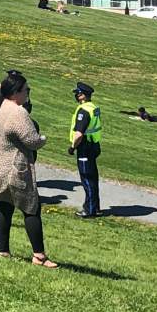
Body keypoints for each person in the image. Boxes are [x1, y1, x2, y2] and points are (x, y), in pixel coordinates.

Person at [0, 72, 57, 268]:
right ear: (15, 93)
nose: (27, 94)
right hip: (14, 168)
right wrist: (44, 138)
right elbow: (32, 141)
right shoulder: (17, 112)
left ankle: (2, 250)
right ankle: (39, 255)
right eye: (26, 90)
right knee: (31, 209)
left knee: (3, 209)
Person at [68, 81, 103, 218]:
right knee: (93, 178)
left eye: (77, 93)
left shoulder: (83, 111)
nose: (76, 96)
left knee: (87, 178)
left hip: (84, 147)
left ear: (82, 95)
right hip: (94, 144)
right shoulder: (94, 107)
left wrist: (72, 147)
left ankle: (89, 209)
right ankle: (96, 207)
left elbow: (79, 134)